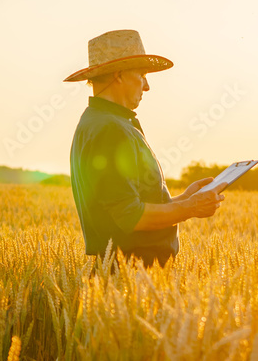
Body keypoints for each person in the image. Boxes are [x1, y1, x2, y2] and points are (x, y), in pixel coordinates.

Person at [63, 29, 224, 268]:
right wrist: (190, 207)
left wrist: (184, 198)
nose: (146, 86)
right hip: (131, 273)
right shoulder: (109, 129)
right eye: (142, 75)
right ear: (118, 75)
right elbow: (129, 215)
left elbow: (125, 204)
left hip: (129, 273)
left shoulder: (101, 122)